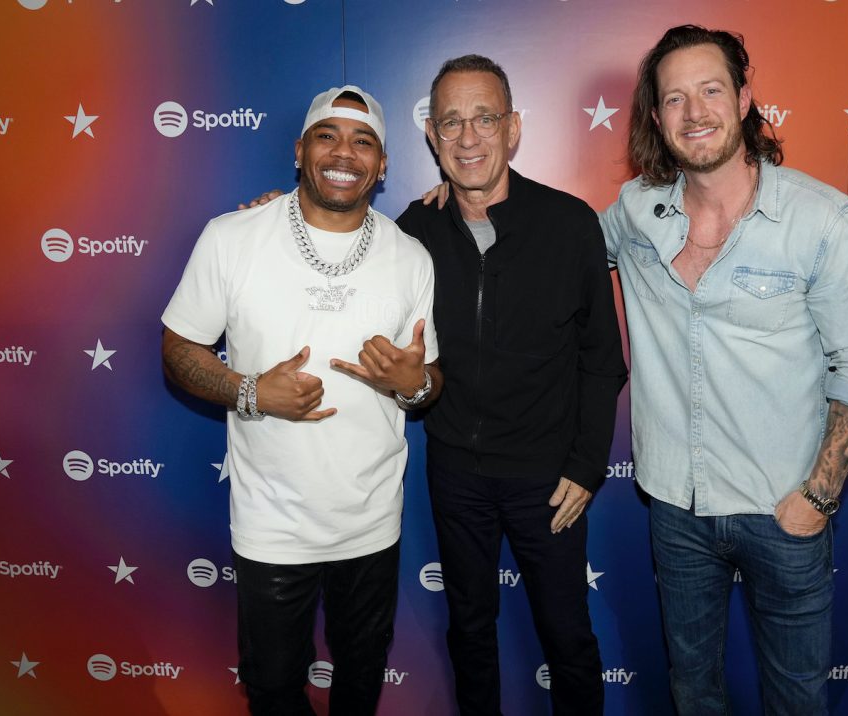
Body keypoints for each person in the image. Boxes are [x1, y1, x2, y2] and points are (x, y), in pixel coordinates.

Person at [599, 25, 848, 714]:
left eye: (711, 90)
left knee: (797, 700)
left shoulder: (822, 219)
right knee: (693, 693)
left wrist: (818, 500)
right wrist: (475, 206)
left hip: (784, 510)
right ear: (656, 117)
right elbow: (559, 250)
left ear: (743, 98)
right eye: (674, 98)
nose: (695, 112)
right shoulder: (635, 211)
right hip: (675, 508)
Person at [161, 85, 441, 716]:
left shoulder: (411, 258)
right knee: (272, 687)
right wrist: (252, 391)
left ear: (384, 165)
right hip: (272, 524)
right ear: (300, 151)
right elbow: (178, 349)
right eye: (328, 135)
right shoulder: (232, 237)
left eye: (363, 140)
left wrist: (412, 383)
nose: (345, 152)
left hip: (370, 521)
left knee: (361, 680)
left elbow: (430, 381)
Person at [397, 55, 627, 715]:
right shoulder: (414, 231)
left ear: (514, 128)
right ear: (433, 138)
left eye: (484, 118)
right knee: (469, 632)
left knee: (567, 636)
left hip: (547, 481)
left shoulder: (570, 223)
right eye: (451, 122)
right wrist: (271, 216)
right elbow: (336, 255)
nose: (468, 138)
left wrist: (585, 466)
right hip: (456, 475)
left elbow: (602, 357)